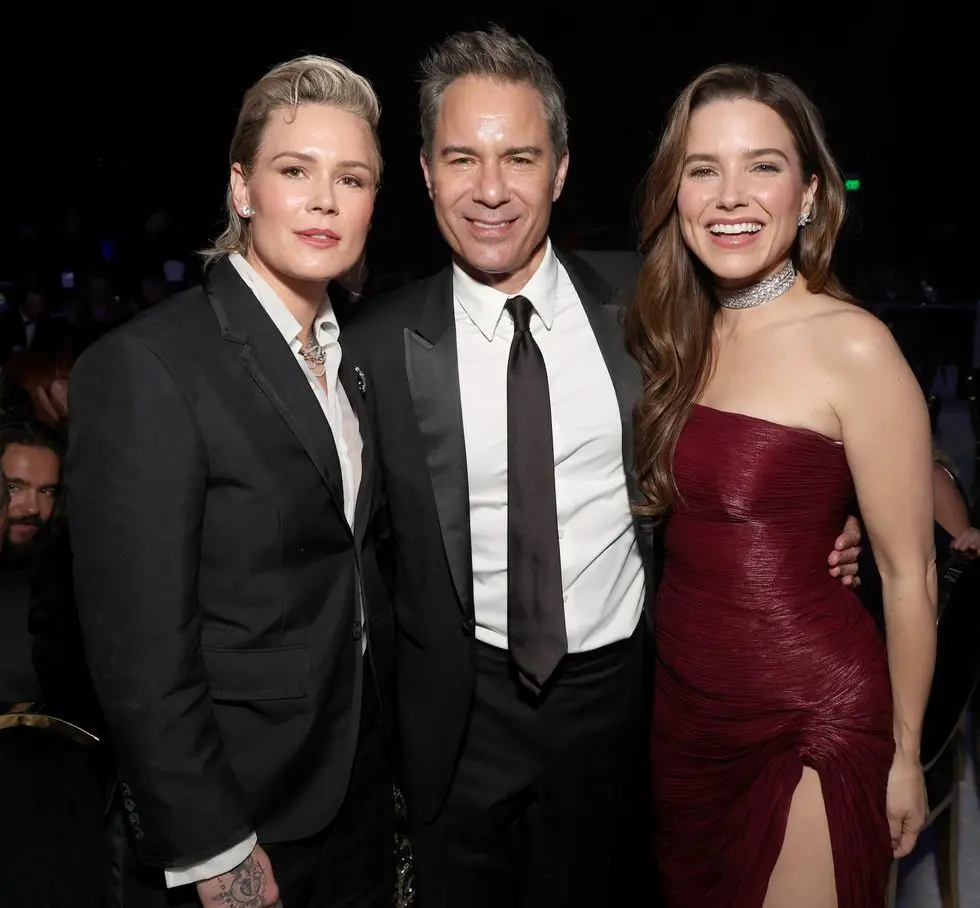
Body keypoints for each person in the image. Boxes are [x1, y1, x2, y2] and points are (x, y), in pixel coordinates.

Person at [341, 28, 863, 908]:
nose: (492, 189)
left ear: (561, 169)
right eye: (462, 158)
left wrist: (823, 518)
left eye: (520, 156)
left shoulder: (652, 306)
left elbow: (803, 377)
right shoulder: (373, 347)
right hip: (454, 724)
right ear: (426, 172)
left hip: (624, 710)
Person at [66, 55, 395, 908]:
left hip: (356, 788)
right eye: (296, 170)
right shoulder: (148, 365)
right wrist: (216, 850)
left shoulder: (360, 359)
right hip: (244, 812)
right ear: (243, 187)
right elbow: (137, 649)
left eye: (351, 178)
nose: (325, 198)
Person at [625, 64, 936, 907]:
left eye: (762, 165)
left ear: (807, 193)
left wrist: (905, 754)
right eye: (703, 168)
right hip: (687, 720)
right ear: (676, 193)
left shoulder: (854, 345)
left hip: (809, 719)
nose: (731, 194)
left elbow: (911, 573)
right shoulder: (673, 336)